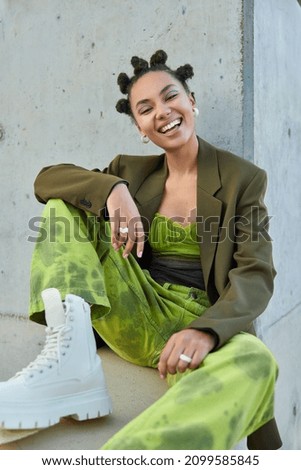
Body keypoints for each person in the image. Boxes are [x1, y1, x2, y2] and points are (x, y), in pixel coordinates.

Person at [0, 50, 282, 450]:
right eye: (146, 109)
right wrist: (113, 190)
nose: (163, 112)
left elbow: (255, 271)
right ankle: (67, 362)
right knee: (65, 208)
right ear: (140, 128)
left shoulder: (242, 178)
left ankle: (131, 455)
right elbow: (48, 180)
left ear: (192, 101)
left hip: (195, 317)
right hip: (134, 302)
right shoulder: (131, 171)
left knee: (256, 361)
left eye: (171, 97)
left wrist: (206, 330)